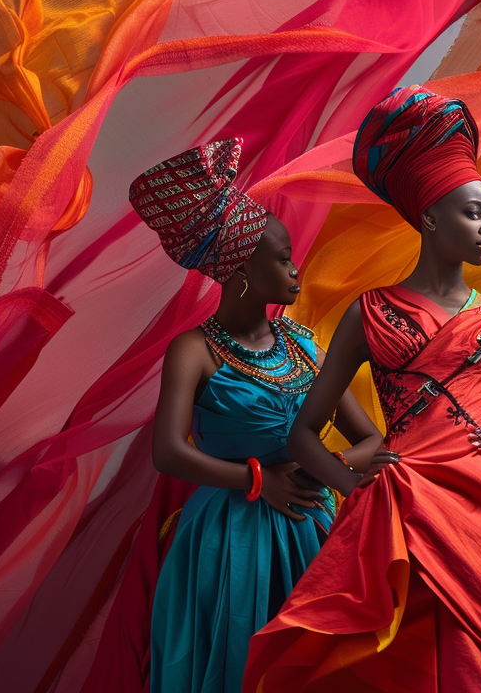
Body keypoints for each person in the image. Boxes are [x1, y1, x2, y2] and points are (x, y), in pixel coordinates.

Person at [241, 86, 481, 692]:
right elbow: (304, 433)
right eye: (472, 213)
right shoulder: (369, 310)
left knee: (478, 670)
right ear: (430, 218)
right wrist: (351, 485)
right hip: (399, 509)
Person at [133, 138, 387, 693]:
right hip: (228, 542)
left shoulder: (300, 343)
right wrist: (257, 480)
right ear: (242, 270)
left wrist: (321, 465)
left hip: (311, 527)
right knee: (236, 665)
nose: (296, 270)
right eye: (282, 259)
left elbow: (371, 440)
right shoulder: (194, 350)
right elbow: (168, 452)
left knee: (311, 668)